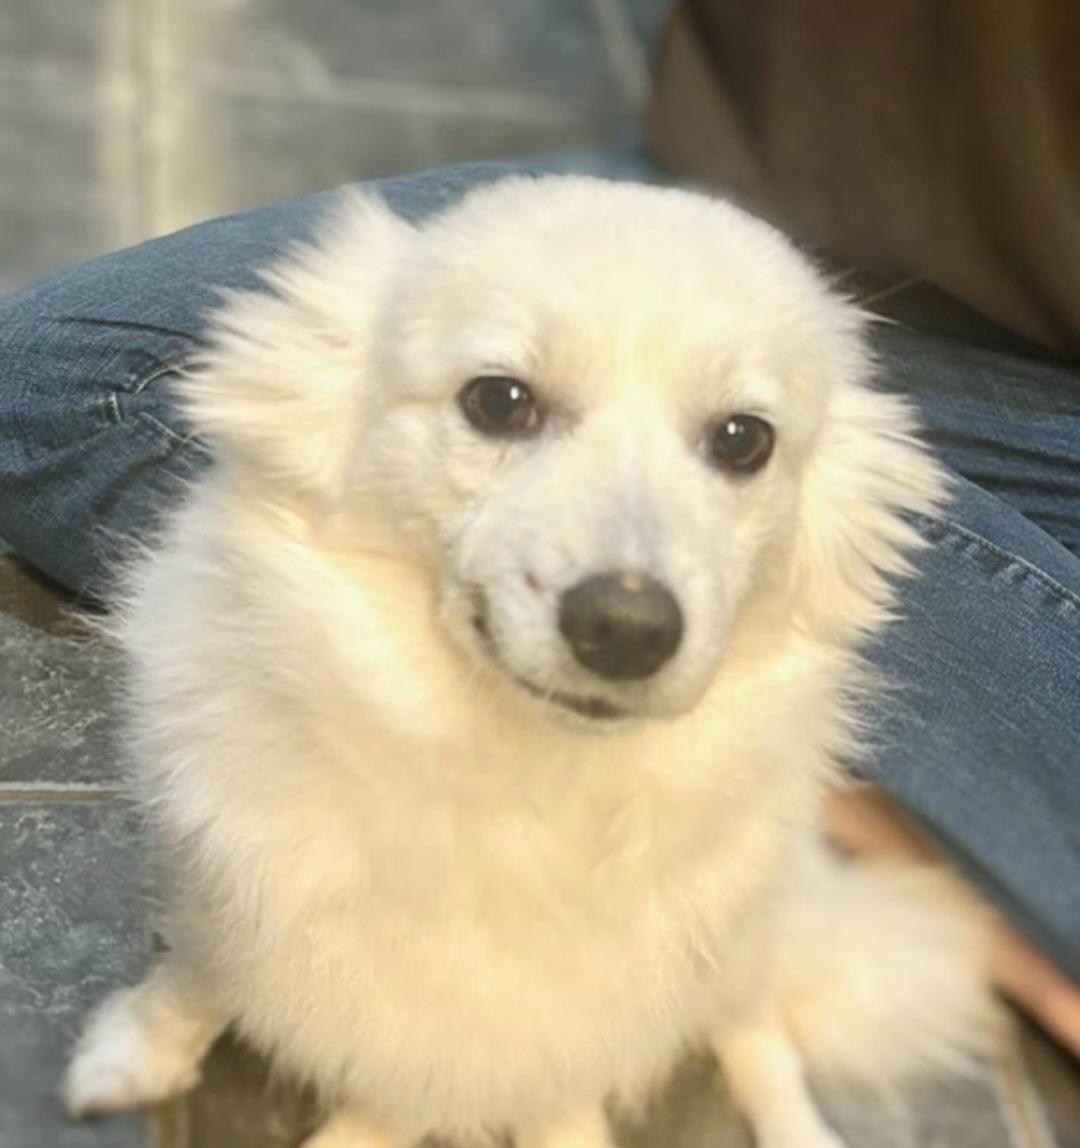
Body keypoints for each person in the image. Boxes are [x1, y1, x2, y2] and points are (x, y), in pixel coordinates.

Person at [1, 2, 1077, 1053]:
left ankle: (899, 820)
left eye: (737, 441)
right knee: (54, 378)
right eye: (505, 406)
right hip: (779, 197)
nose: (625, 600)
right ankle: (957, 823)